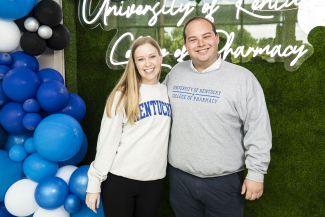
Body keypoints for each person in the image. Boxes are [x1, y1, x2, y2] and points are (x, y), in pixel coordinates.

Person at [163, 16, 272, 217]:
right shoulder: (176, 73)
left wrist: (257, 173)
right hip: (179, 180)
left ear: (217, 38)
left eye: (206, 36)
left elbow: (258, 128)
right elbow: (158, 113)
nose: (201, 44)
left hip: (225, 183)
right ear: (186, 45)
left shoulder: (243, 78)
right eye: (193, 39)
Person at [85, 37, 171, 217]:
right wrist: (94, 184)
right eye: (141, 59)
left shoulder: (167, 92)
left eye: (152, 56)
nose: (148, 63)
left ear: (160, 57)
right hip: (120, 181)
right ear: (134, 63)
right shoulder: (122, 95)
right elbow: (107, 142)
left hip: (154, 181)